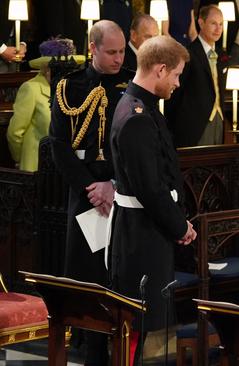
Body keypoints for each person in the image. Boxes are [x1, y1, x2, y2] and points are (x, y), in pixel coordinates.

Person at [48, 20, 134, 364]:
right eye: (111, 52)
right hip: (84, 194)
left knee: (118, 277)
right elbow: (59, 144)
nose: (118, 58)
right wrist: (91, 188)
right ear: (93, 47)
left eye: (122, 51)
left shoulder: (131, 83)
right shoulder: (69, 85)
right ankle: (90, 350)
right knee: (86, 277)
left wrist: (113, 185)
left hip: (121, 193)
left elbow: (135, 145)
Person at [110, 35, 194, 365]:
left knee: (159, 321)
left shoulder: (140, 107)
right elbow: (150, 188)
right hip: (141, 237)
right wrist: (179, 226)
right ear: (160, 70)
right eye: (175, 75)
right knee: (147, 324)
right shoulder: (136, 117)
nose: (177, 83)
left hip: (150, 232)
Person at [7, 38, 81, 172]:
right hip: (36, 167)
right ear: (45, 68)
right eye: (56, 68)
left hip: (65, 168)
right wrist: (20, 158)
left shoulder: (71, 89)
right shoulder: (31, 88)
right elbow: (15, 133)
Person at [166, 5, 226, 147]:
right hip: (194, 125)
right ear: (201, 23)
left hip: (218, 120)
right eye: (213, 23)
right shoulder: (189, 54)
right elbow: (176, 95)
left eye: (221, 24)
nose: (218, 29)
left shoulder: (221, 55)